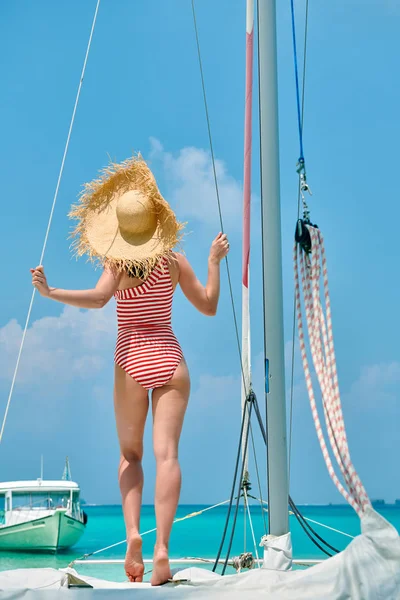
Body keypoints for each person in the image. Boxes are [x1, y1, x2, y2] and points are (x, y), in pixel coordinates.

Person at [31, 155, 229, 586]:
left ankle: (134, 535)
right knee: (168, 455)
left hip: (131, 359)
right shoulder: (175, 261)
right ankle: (162, 550)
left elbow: (99, 299)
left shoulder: (119, 265)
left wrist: (52, 293)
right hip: (171, 359)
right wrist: (214, 261)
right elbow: (210, 306)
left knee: (131, 455)